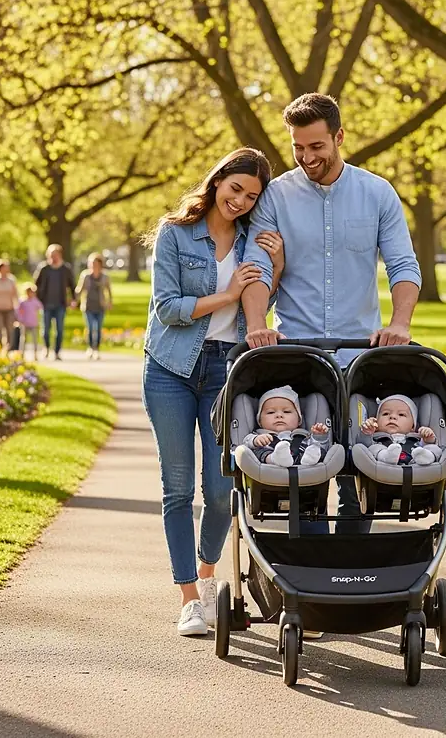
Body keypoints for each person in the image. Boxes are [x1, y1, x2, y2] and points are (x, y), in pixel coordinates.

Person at [241, 93, 421, 538]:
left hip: (361, 357)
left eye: (317, 146)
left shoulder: (377, 193)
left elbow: (403, 264)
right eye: (298, 147)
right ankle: (309, 565)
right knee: (307, 465)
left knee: (355, 472)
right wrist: (258, 324)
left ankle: (354, 569)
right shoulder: (276, 197)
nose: (306, 157)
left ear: (339, 137)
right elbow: (257, 267)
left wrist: (400, 323)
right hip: (299, 356)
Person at [142, 147, 284, 638]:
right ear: (218, 181)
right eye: (235, 189)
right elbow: (166, 308)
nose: (241, 200)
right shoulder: (176, 233)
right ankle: (187, 597)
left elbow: (262, 303)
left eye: (252, 195)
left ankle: (207, 579)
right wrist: (225, 296)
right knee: (178, 488)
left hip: (226, 370)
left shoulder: (254, 242)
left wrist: (278, 265)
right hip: (170, 369)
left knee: (223, 491)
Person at [243, 386, 329, 466]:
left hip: (302, 461)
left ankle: (310, 458)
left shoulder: (304, 436)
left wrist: (319, 436)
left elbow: (321, 445)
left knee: (317, 449)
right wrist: (255, 440)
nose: (279, 415)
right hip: (269, 461)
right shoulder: (259, 435)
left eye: (287, 412)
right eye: (271, 412)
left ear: (299, 420)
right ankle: (275, 458)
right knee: (255, 452)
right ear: (259, 421)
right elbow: (245, 442)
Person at [358, 395, 442, 466]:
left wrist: (428, 439)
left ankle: (426, 457)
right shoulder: (375, 437)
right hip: (382, 466)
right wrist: (367, 432)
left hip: (416, 464)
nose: (392, 417)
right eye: (386, 414)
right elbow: (364, 445)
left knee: (435, 448)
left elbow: (428, 444)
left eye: (401, 414)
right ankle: (387, 456)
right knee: (372, 449)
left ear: (413, 426)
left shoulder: (417, 438)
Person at [34, 244, 76, 360]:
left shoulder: (65, 269)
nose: (53, 258)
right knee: (45, 330)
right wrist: (36, 300)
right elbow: (36, 284)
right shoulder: (44, 268)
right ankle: (46, 348)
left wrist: (73, 299)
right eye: (51, 255)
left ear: (60, 255)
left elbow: (72, 285)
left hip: (60, 304)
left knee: (59, 330)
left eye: (55, 255)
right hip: (46, 304)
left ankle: (57, 351)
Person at [76, 252, 113, 360]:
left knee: (98, 329)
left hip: (100, 306)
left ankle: (96, 349)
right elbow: (80, 289)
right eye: (91, 263)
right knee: (91, 327)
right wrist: (75, 300)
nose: (93, 266)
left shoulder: (105, 277)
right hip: (88, 306)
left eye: (95, 263)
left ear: (100, 264)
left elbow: (109, 291)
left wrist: (110, 302)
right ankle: (90, 348)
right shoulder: (85, 275)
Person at [16, 283, 44, 360]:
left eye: (32, 292)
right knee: (23, 339)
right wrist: (20, 320)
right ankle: (21, 354)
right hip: (24, 323)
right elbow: (18, 311)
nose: (31, 294)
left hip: (33, 323)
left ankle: (35, 354)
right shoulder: (22, 301)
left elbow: (41, 307)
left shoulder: (35, 301)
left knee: (35, 340)